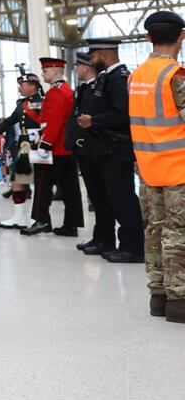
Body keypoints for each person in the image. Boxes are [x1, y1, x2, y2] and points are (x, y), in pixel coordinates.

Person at [129, 9, 185, 320]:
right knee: (180, 233)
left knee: (155, 230)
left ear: (149, 38)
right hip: (179, 168)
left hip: (148, 169)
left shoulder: (136, 76)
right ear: (182, 36)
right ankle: (180, 301)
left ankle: (158, 297)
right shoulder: (175, 75)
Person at [83, 37, 143, 262]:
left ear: (105, 54)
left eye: (94, 56)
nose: (92, 60)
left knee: (123, 199)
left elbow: (121, 114)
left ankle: (133, 248)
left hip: (117, 149)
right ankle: (123, 244)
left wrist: (93, 121)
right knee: (114, 198)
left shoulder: (119, 79)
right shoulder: (107, 78)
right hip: (107, 148)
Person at [30, 57, 83, 237]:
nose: (43, 74)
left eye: (45, 71)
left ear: (54, 71)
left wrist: (44, 144)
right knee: (69, 187)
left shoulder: (56, 92)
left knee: (42, 183)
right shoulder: (66, 90)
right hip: (65, 147)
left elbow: (54, 121)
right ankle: (71, 224)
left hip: (52, 147)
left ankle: (42, 220)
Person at [68, 53, 115, 255]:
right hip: (85, 149)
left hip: (97, 149)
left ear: (86, 67)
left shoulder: (101, 87)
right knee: (96, 198)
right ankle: (100, 237)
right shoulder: (86, 89)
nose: (76, 69)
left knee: (103, 198)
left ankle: (106, 240)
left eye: (78, 65)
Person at [0, 72, 43, 230]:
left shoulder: (42, 102)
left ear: (32, 87)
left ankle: (39, 218)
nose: (20, 87)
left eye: (22, 85)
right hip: (24, 146)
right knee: (17, 181)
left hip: (40, 145)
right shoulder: (21, 104)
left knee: (39, 184)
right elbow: (9, 121)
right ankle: (19, 217)